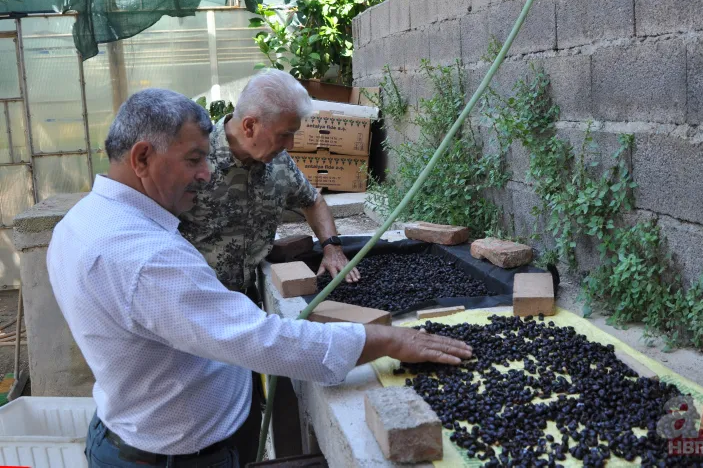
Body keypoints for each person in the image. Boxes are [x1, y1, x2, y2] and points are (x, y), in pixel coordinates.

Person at [47, 88, 472, 468]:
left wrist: (329, 245)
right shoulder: (148, 258)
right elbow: (260, 340)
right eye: (193, 160)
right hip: (178, 455)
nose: (206, 173)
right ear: (142, 158)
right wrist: (386, 340)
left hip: (134, 427)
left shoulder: (82, 221)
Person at [177, 69, 361, 464]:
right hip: (190, 315)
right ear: (249, 125)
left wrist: (330, 247)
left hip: (243, 308)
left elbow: (312, 200)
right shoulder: (193, 159)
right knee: (197, 430)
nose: (292, 144)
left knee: (243, 419)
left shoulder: (279, 163)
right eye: (285, 134)